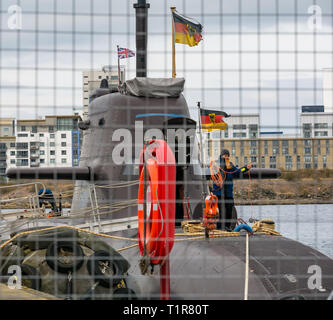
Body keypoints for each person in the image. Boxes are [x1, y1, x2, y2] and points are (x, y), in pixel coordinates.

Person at [211, 149, 252, 231]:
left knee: (229, 210)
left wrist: (246, 168)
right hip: (219, 193)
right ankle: (219, 227)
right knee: (221, 211)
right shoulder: (216, 165)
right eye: (224, 155)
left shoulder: (230, 166)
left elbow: (238, 171)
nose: (226, 157)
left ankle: (227, 226)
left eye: (227, 155)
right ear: (221, 156)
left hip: (228, 193)